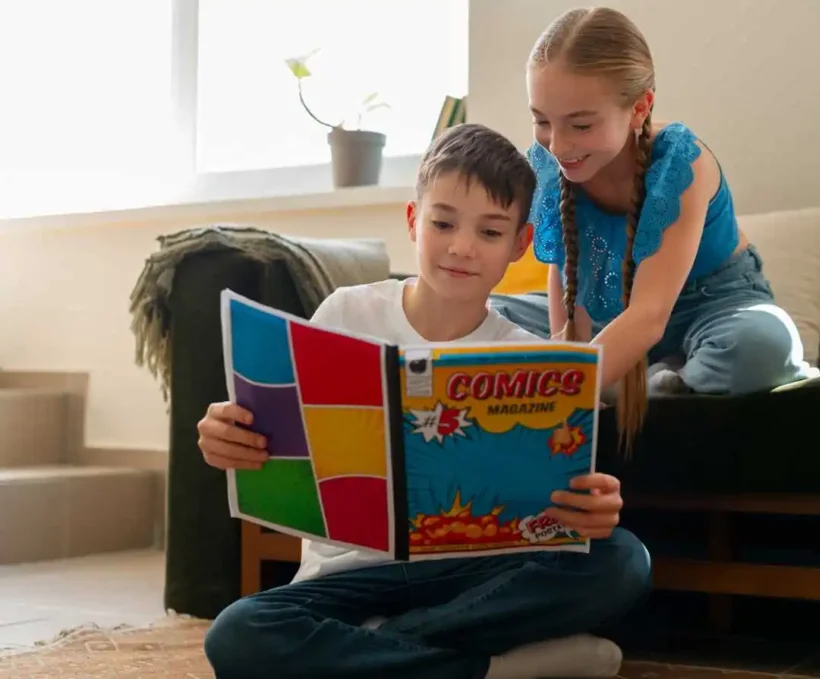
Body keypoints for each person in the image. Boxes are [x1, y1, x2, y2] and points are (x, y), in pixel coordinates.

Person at [197, 123, 651, 679]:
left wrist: (591, 507)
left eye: (490, 232)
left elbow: (558, 496)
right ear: (414, 220)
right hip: (347, 578)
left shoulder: (532, 358)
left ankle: (378, 650)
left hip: (470, 575)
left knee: (623, 560)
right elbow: (272, 437)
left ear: (519, 245)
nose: (461, 246)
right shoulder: (345, 315)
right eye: (443, 223)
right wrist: (227, 435)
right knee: (238, 634)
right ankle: (493, 670)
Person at [490, 7, 814, 451]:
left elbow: (649, 315)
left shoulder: (681, 163)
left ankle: (652, 381)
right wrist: (564, 356)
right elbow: (567, 303)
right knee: (480, 316)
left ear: (640, 107)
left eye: (581, 124)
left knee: (762, 345)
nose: (559, 144)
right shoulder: (552, 164)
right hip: (605, 310)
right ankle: (631, 380)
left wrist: (558, 392)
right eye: (542, 121)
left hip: (708, 310)